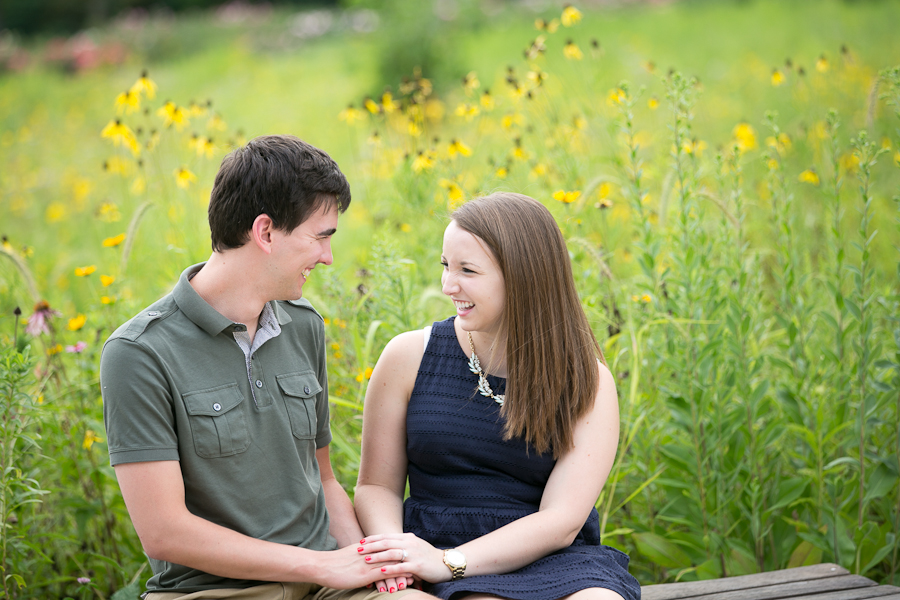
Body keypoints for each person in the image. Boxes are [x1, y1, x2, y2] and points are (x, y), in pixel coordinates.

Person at [100, 135, 424, 600]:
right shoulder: (139, 353)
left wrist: (369, 566)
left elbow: (324, 479)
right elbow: (164, 533)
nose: (328, 257)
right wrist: (324, 565)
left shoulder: (304, 325)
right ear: (265, 232)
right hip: (213, 592)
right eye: (320, 237)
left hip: (323, 584)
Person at [353, 192, 641, 600]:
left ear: (524, 276)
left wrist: (451, 561)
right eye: (445, 266)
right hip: (431, 546)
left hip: (546, 556)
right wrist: (398, 554)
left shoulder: (586, 380)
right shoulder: (407, 357)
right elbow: (375, 486)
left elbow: (561, 521)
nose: (448, 285)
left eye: (468, 270)